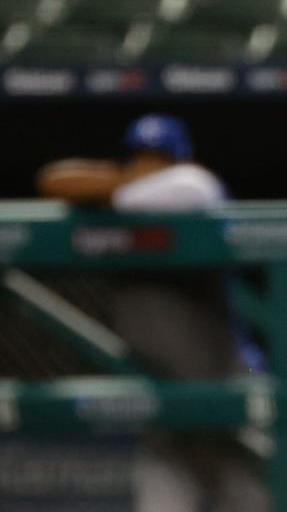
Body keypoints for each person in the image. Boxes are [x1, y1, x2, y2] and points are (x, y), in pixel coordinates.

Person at [36, 113, 269, 512]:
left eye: (159, 157)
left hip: (227, 388)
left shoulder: (195, 187)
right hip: (160, 402)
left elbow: (183, 188)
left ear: (179, 160)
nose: (149, 164)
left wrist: (111, 186)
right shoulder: (128, 197)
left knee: (248, 500)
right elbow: (53, 179)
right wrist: (121, 183)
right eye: (140, 156)